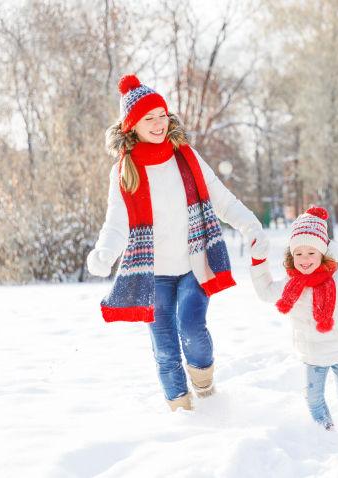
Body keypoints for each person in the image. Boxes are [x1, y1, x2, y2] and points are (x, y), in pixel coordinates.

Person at [87, 74, 268, 411]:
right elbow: (117, 223)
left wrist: (249, 225)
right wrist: (104, 253)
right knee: (165, 346)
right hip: (152, 273)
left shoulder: (185, 156)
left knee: (192, 327)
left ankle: (205, 385)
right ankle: (181, 415)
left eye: (162, 116)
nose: (158, 124)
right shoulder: (124, 170)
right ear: (132, 126)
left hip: (192, 266)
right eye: (149, 118)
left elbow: (222, 199)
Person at [250, 206, 338, 430]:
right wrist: (259, 264)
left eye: (311, 253)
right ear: (291, 256)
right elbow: (266, 292)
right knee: (313, 397)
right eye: (298, 254)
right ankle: (325, 431)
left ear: (323, 254)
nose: (305, 259)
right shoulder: (291, 284)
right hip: (313, 353)